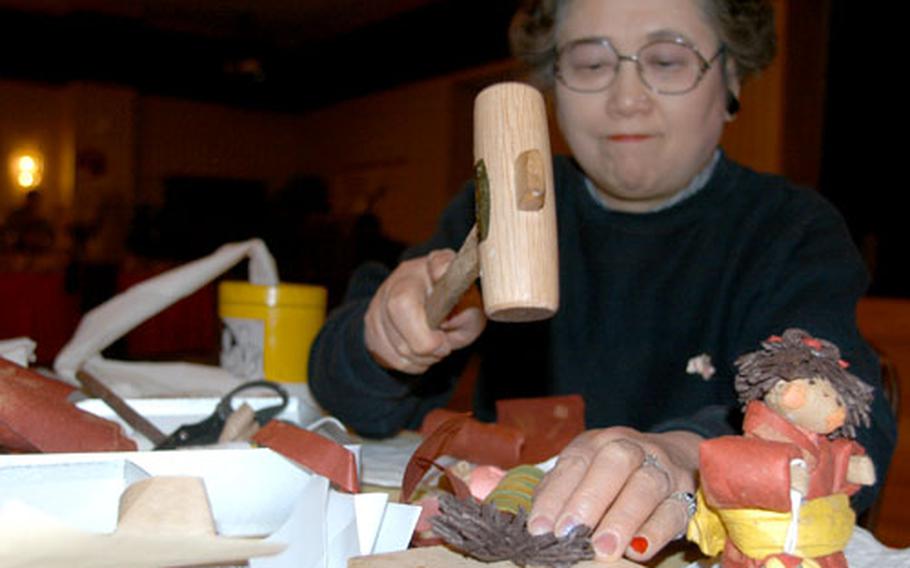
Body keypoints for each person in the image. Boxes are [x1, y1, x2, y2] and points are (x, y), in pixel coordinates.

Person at [308, 0, 897, 562]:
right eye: (591, 63)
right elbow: (352, 402)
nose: (626, 99)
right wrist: (384, 339)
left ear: (733, 77)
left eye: (667, 60)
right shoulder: (490, 214)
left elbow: (847, 422)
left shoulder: (790, 231)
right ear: (553, 82)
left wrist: (689, 459)